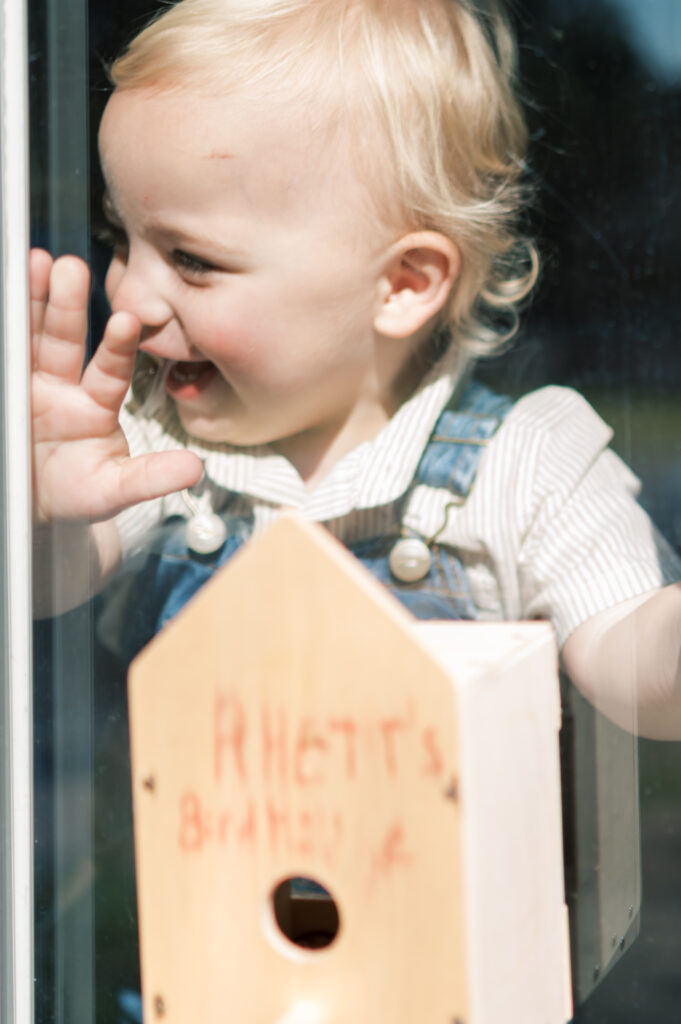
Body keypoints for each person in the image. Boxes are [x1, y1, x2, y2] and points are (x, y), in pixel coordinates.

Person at [31, 0, 681, 740]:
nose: (128, 295)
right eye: (121, 237)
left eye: (191, 260)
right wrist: (44, 517)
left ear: (402, 285)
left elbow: (631, 668)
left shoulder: (526, 469)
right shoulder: (151, 451)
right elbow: (51, 584)